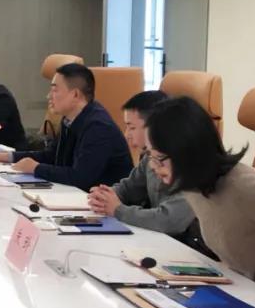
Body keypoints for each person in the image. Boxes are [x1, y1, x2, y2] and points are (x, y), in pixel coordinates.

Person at [146, 96, 255, 306]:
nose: (153, 166)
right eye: (150, 156)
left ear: (186, 151)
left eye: (159, 159)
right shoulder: (193, 186)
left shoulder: (246, 190)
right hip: (247, 291)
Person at [0, 63, 132, 190]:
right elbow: (51, 156)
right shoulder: (70, 118)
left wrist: (36, 168)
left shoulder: (98, 127)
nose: (49, 96)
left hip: (104, 206)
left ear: (75, 94)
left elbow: (80, 178)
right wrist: (3, 157)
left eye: (55, 90)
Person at [88, 91, 209, 254]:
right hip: (161, 243)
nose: (126, 134)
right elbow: (130, 188)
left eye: (131, 127)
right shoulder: (150, 157)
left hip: (190, 251)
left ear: (153, 127)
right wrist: (104, 196)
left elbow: (169, 221)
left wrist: (118, 210)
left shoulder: (189, 161)